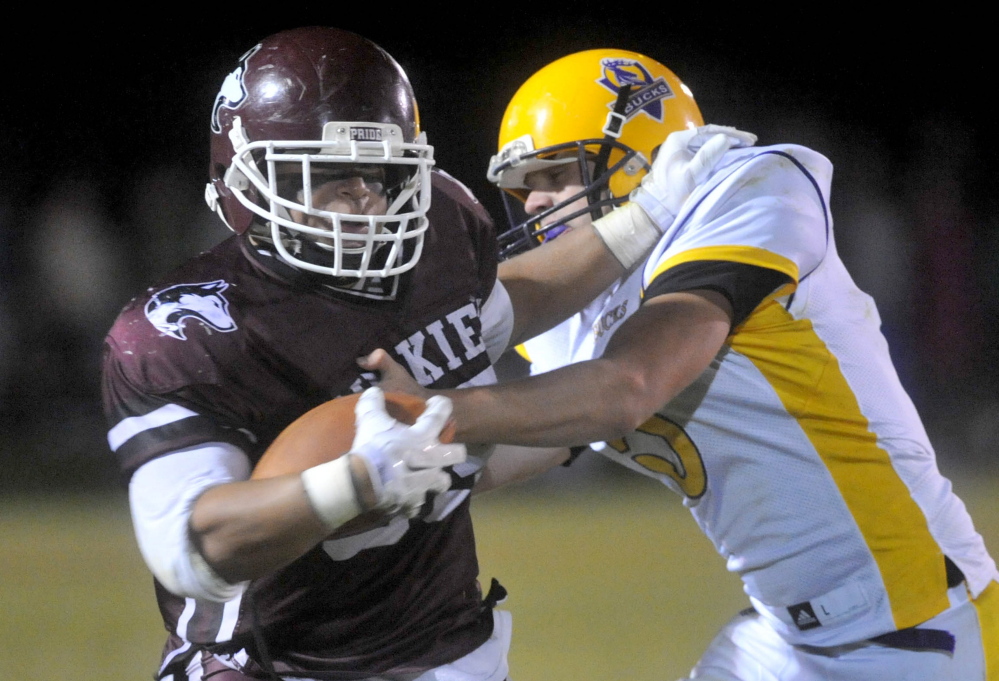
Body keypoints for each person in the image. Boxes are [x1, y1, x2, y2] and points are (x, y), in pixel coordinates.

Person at [101, 30, 740, 681]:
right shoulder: (187, 327)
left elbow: (502, 312)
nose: (363, 198)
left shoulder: (438, 231)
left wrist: (648, 214)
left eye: (377, 172)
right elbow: (190, 548)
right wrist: (353, 480)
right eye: (325, 173)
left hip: (447, 645)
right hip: (276, 661)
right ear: (246, 178)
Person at [364, 49, 999, 680]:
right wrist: (376, 472)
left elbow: (629, 385)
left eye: (556, 174)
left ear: (646, 156)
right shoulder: (582, 307)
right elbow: (540, 436)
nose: (534, 203)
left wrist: (440, 412)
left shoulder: (751, 187)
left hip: (918, 626)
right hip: (781, 638)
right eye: (523, 186)